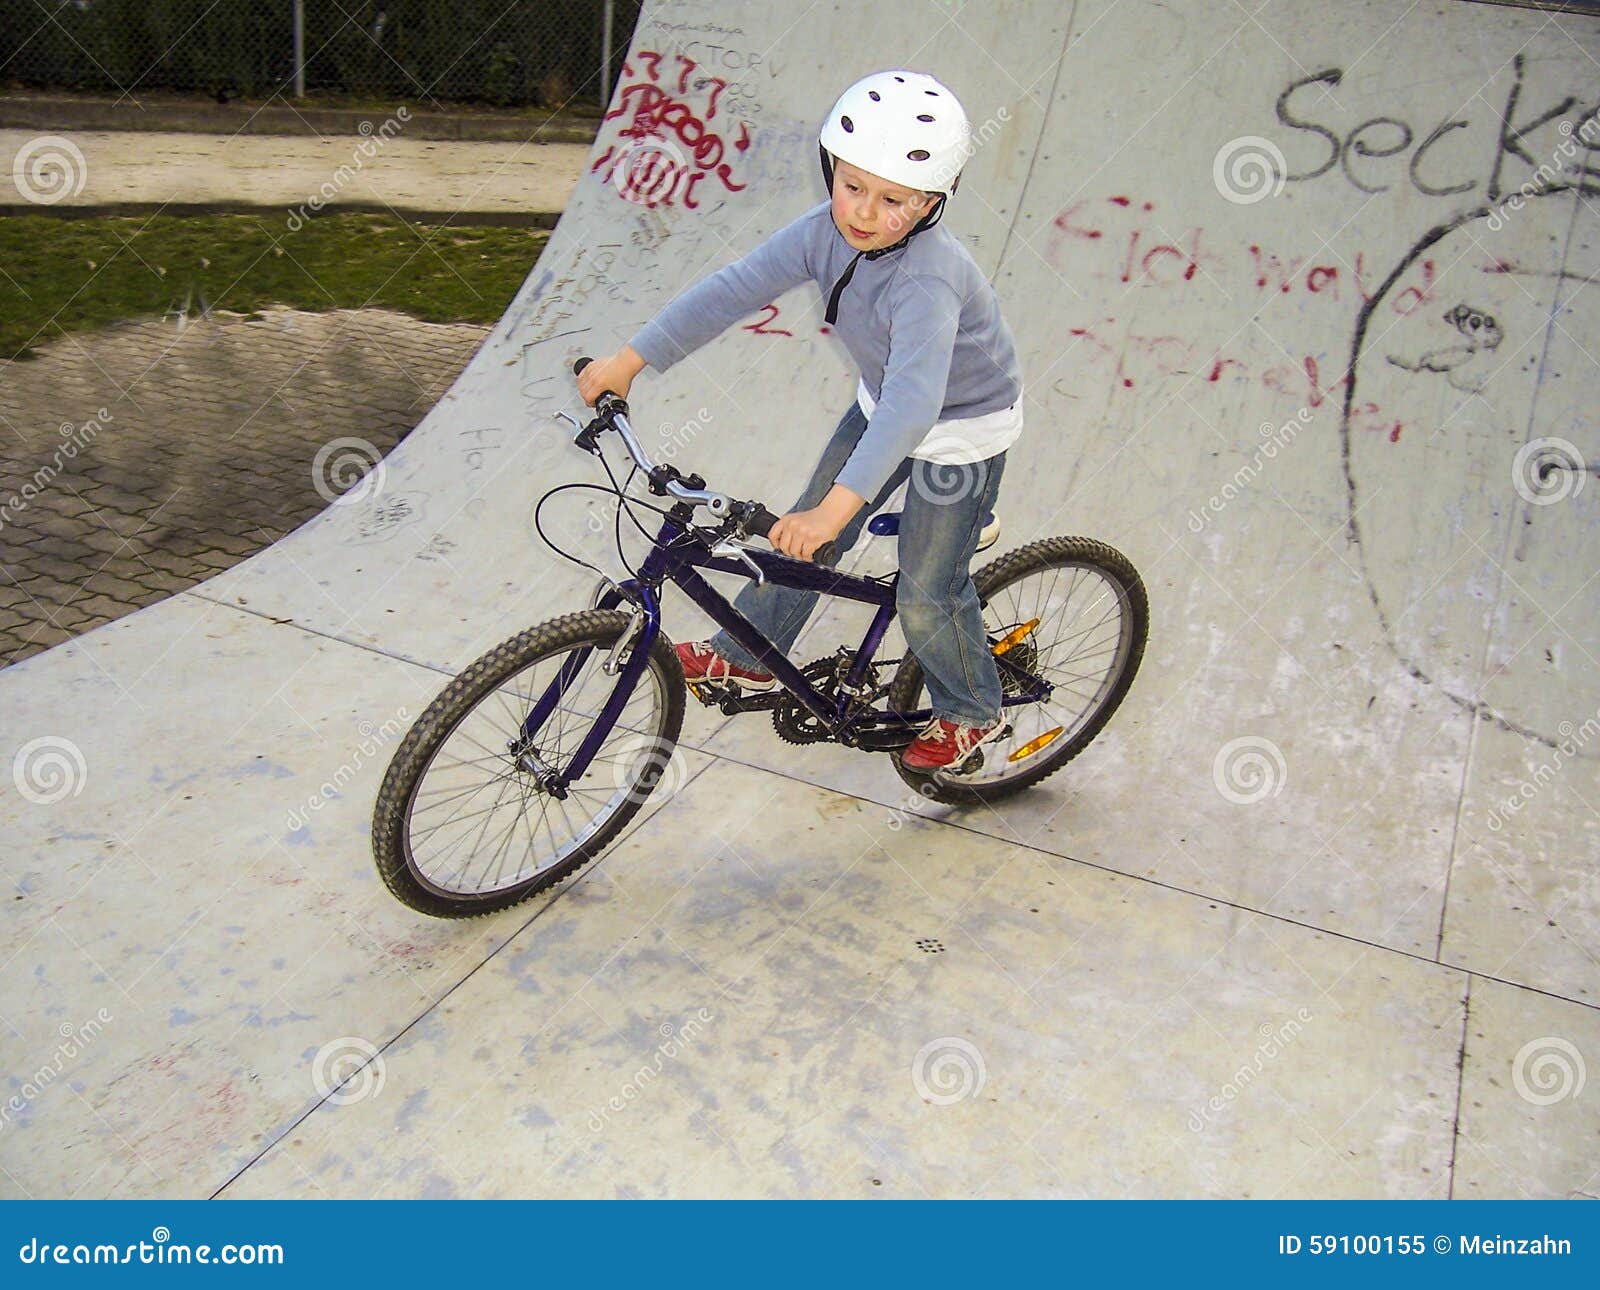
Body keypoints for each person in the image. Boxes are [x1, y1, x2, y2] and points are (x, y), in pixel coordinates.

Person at [578, 69, 1023, 772]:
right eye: (852, 186)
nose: (865, 213)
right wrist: (632, 359)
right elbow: (734, 288)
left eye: (893, 200)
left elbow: (916, 408)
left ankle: (974, 711)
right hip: (884, 406)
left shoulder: (928, 279)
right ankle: (750, 655)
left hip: (961, 430)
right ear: (831, 170)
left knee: (926, 592)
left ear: (934, 203)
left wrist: (833, 512)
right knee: (797, 542)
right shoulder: (822, 233)